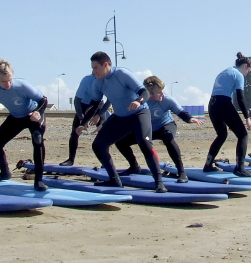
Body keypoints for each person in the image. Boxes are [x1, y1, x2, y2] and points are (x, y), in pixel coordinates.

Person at [76, 52, 167, 192]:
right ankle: (114, 180)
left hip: (139, 113)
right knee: (98, 145)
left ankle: (159, 183)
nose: (94, 72)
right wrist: (83, 123)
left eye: (95, 68)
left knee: (145, 143)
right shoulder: (98, 82)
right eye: (92, 68)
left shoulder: (122, 74)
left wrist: (138, 101)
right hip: (120, 117)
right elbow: (94, 104)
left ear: (105, 65)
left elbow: (145, 92)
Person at [114, 76, 203, 182]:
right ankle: (134, 166)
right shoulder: (140, 101)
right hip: (148, 128)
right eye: (159, 92)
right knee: (120, 141)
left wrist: (190, 119)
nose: (162, 94)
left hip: (165, 125)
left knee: (168, 138)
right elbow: (124, 114)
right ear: (150, 94)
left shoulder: (167, 99)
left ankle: (181, 172)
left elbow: (180, 111)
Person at [0, 59, 48, 191]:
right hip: (16, 117)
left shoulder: (21, 85)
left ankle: (39, 180)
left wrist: (38, 112)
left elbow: (43, 100)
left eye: (10, 80)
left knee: (37, 139)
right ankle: (5, 172)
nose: (8, 84)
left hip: (33, 115)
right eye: (4, 82)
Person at [203, 53, 251, 176]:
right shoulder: (239, 75)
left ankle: (208, 165)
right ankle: (240, 168)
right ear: (246, 66)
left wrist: (231, 119)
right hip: (223, 104)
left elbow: (225, 95)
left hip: (212, 104)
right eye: (249, 71)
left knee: (222, 135)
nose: (247, 74)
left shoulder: (225, 72)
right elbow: (241, 98)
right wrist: (247, 118)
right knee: (243, 135)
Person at [60, 72, 111, 166]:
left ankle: (105, 162)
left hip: (99, 105)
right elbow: (77, 100)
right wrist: (81, 117)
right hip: (84, 104)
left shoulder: (105, 80)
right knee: (75, 132)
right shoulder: (87, 80)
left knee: (103, 132)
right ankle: (70, 160)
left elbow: (109, 100)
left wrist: (99, 115)